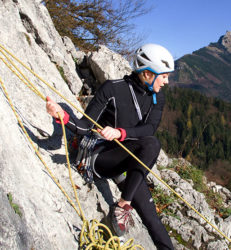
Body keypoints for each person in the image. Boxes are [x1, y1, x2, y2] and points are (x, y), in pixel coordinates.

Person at [46, 43, 175, 250]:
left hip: (123, 161)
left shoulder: (157, 98)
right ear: (149, 74)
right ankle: (123, 206)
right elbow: (85, 126)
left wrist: (120, 133)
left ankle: (123, 206)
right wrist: (63, 117)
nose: (167, 81)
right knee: (152, 144)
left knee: (153, 219)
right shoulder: (113, 89)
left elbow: (149, 128)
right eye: (164, 75)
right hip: (97, 156)